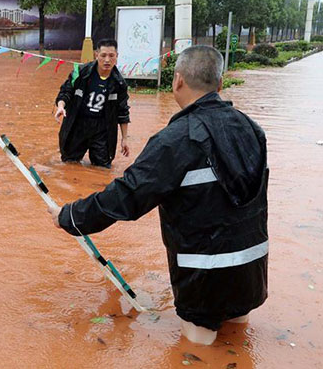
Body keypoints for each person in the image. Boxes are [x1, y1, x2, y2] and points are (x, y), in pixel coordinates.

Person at [48, 45, 268, 345]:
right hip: (252, 273)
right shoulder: (252, 129)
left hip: (203, 279)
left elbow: (127, 196)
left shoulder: (176, 139)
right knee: (238, 338)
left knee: (197, 350)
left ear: (177, 81)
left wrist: (70, 216)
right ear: (219, 84)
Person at [54, 39, 130, 168]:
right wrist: (61, 106)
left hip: (102, 128)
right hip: (78, 123)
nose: (107, 60)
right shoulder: (81, 72)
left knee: (102, 168)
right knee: (69, 163)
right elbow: (66, 91)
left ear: (117, 56)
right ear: (96, 55)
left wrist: (124, 139)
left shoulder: (119, 83)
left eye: (111, 56)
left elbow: (122, 112)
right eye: (103, 55)